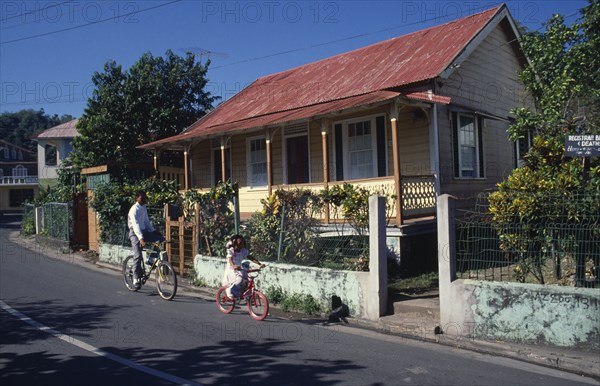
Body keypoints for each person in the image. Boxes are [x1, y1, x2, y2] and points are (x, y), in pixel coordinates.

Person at [128, 190, 165, 289]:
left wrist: (154, 231)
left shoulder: (143, 208)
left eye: (144, 197)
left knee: (160, 239)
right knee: (138, 255)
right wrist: (140, 239)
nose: (144, 199)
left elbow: (146, 221)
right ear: (137, 198)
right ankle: (135, 277)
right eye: (141, 197)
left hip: (144, 231)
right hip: (135, 234)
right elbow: (135, 226)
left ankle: (151, 259)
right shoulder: (133, 210)